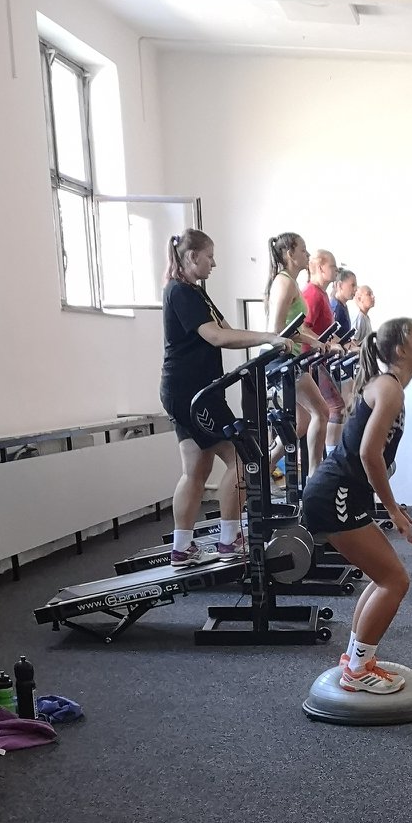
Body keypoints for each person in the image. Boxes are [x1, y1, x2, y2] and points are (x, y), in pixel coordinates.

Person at [300, 318, 412, 694]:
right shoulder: (389, 388)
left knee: (383, 577)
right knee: (395, 580)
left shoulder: (388, 387)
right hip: (335, 495)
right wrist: (392, 509)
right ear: (400, 350)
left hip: (342, 493)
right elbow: (369, 453)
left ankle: (355, 659)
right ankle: (357, 669)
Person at [160, 228, 295, 569]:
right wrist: (268, 337)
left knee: (196, 469)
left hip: (189, 390)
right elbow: (217, 337)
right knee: (243, 458)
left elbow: (226, 329)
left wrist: (271, 338)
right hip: (194, 393)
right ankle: (229, 539)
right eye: (209, 257)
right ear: (192, 257)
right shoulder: (180, 292)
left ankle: (182, 548)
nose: (214, 263)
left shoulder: (194, 292)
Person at [264, 232, 333, 476]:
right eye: (303, 250)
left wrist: (316, 341)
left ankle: (267, 465)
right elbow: (276, 329)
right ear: (289, 254)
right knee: (321, 412)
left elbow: (296, 326)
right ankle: (315, 476)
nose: (307, 254)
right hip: (280, 359)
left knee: (302, 421)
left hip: (290, 357)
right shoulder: (284, 282)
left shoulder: (291, 283)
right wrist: (310, 341)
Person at [302, 248, 346, 452]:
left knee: (331, 409)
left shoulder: (322, 294)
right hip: (308, 360)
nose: (336, 271)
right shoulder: (312, 293)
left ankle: (326, 459)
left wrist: (345, 345)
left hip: (319, 359)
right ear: (320, 268)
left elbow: (326, 332)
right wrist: (324, 345)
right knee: (334, 408)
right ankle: (328, 461)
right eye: (333, 266)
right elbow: (303, 328)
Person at [353, 284, 376, 349]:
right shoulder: (358, 317)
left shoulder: (366, 317)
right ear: (359, 298)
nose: (373, 297)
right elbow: (353, 342)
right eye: (369, 294)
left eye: (372, 294)